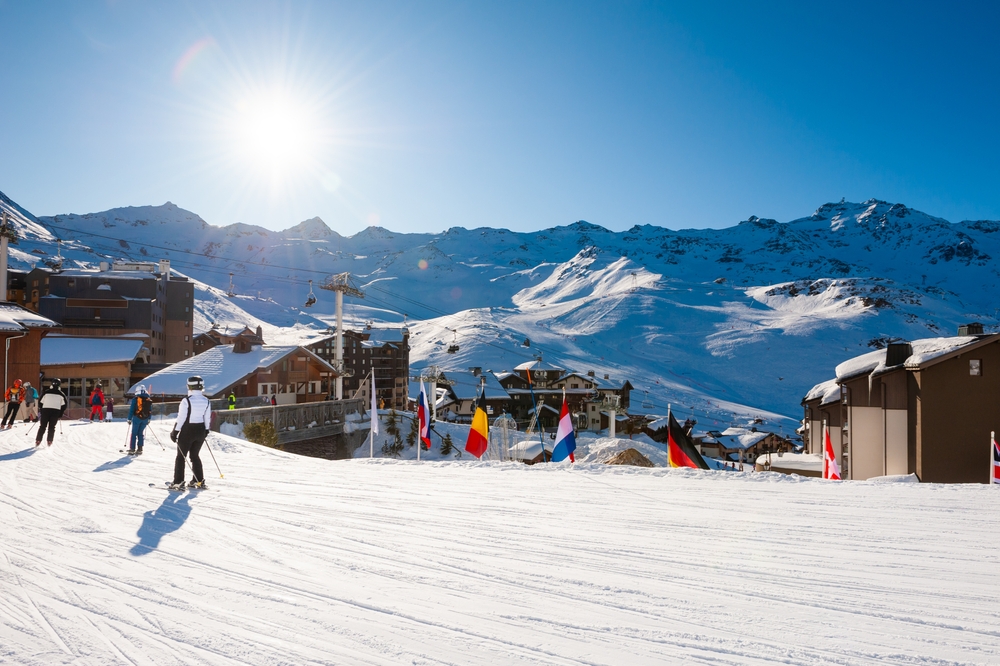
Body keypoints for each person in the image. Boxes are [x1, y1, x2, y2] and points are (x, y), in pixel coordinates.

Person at [168, 376, 212, 490]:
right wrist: (206, 430)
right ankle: (198, 480)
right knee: (195, 456)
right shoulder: (206, 401)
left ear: (190, 387)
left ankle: (178, 481)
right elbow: (207, 417)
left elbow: (181, 418)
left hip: (188, 431)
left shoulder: (186, 401)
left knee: (181, 456)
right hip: (200, 430)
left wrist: (175, 432)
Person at [35, 378, 67, 446]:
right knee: (52, 427)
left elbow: (40, 402)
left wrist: (41, 410)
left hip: (45, 410)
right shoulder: (61, 394)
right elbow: (64, 405)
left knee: (42, 426)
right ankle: (49, 441)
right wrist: (60, 414)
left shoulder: (46, 392)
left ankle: (38, 440)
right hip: (56, 411)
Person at [126, 385, 152, 455]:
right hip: (145, 418)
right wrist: (149, 418)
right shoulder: (148, 399)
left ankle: (132, 449)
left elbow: (132, 410)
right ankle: (140, 449)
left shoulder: (135, 399)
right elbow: (150, 410)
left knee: (134, 433)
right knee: (140, 433)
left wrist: (129, 418)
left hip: (137, 418)